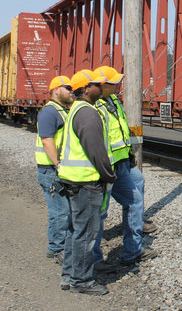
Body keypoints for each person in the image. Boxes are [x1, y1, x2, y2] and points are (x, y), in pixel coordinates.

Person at [92, 66, 157, 272]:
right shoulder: (94, 107)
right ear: (103, 85)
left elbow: (120, 132)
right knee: (99, 212)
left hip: (122, 162)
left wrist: (129, 156)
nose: (119, 84)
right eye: (114, 81)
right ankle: (94, 260)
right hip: (107, 166)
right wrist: (104, 168)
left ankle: (132, 250)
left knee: (136, 194)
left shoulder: (113, 102)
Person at [58, 69, 116, 295]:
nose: (102, 88)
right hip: (86, 183)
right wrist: (109, 175)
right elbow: (96, 151)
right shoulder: (87, 113)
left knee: (75, 231)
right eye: (97, 85)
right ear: (86, 88)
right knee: (87, 233)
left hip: (75, 181)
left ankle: (69, 276)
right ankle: (81, 281)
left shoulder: (77, 110)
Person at [35, 75, 74, 263]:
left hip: (52, 169)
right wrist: (57, 164)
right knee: (62, 212)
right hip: (50, 170)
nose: (71, 91)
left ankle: (54, 247)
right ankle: (59, 250)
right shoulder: (50, 112)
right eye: (68, 88)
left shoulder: (61, 110)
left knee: (58, 210)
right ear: (56, 90)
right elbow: (46, 139)